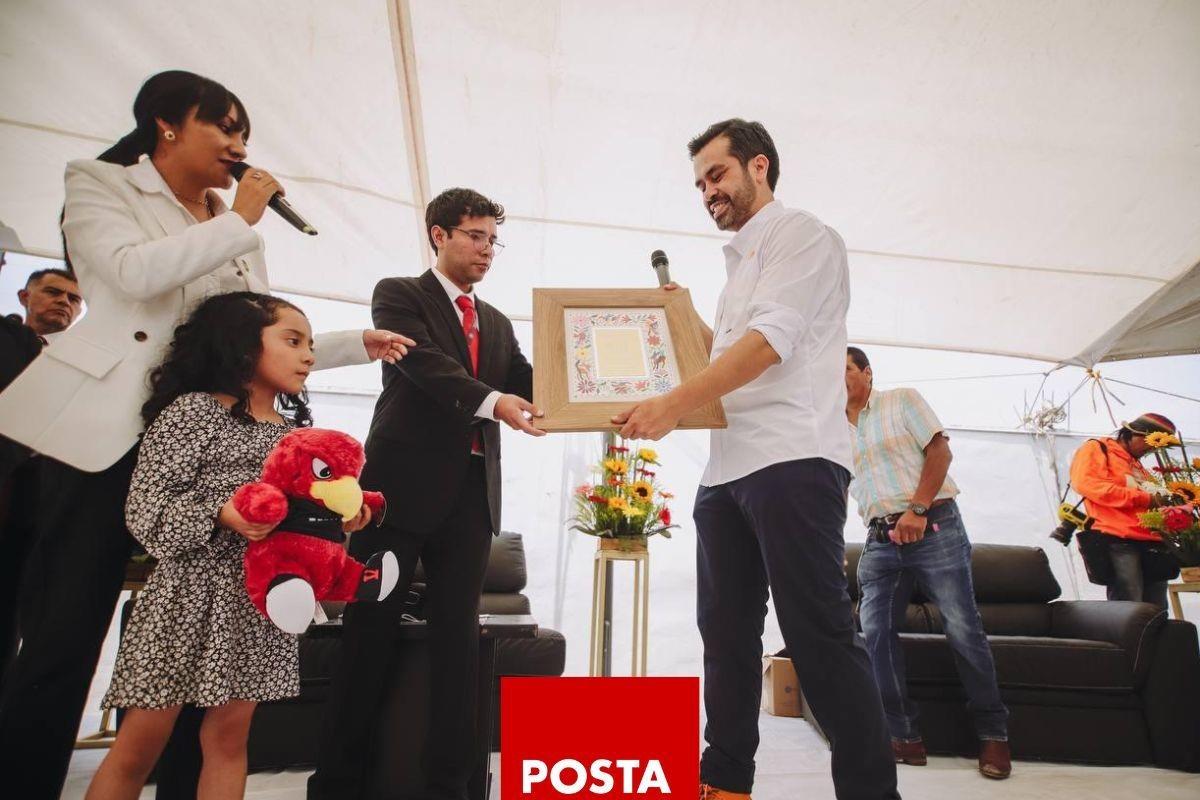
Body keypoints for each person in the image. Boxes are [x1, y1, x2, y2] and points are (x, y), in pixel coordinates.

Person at [0, 70, 414, 798]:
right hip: (105, 435)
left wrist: (351, 344)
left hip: (208, 439)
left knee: (211, 658)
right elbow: (126, 277)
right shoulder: (104, 184)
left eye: (243, 133)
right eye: (224, 127)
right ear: (166, 123)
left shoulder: (230, 220)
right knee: (65, 635)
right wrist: (237, 222)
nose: (237, 145)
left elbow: (252, 327)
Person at [613, 119, 898, 799]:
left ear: (759, 167)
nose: (708, 191)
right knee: (725, 635)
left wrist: (673, 403)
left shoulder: (802, 235)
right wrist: (691, 326)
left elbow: (770, 345)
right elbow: (732, 355)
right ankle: (726, 782)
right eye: (700, 183)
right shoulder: (736, 269)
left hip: (793, 460)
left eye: (718, 174)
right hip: (727, 469)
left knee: (819, 636)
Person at [83, 292, 376, 799]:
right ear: (242, 345)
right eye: (293, 341)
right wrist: (221, 514)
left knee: (229, 738)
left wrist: (341, 519)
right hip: (185, 598)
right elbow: (145, 510)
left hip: (259, 605)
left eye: (309, 343)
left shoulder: (292, 437)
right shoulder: (192, 413)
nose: (309, 355)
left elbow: (302, 519)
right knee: (139, 743)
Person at [308, 188, 541, 800]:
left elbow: (529, 383)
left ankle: (451, 787)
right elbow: (426, 365)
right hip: (396, 495)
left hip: (470, 498)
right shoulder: (399, 294)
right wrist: (494, 402)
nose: (486, 250)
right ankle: (338, 785)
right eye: (474, 236)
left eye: (493, 239)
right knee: (368, 634)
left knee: (457, 643)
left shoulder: (494, 322)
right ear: (438, 234)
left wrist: (595, 394)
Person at [845, 346, 1011, 779]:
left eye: (843, 369)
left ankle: (994, 737)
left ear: (866, 372)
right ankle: (904, 737)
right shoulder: (828, 428)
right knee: (875, 633)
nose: (835, 378)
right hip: (880, 539)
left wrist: (917, 510)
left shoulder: (901, 400)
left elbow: (940, 453)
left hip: (932, 523)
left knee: (963, 627)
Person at [1069, 413, 1178, 609]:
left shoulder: (1137, 465)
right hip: (1118, 540)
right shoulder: (1097, 448)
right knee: (1129, 606)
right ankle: (1128, 641)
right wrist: (1145, 498)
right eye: (1150, 442)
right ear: (1133, 434)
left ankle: (1154, 641)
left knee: (1157, 610)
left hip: (1153, 542)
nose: (1150, 449)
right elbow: (1089, 485)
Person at [17, 267, 83, 338]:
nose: (64, 301)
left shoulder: (86, 348)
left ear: (79, 312)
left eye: (74, 299)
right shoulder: (4, 340)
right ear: (24, 297)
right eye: (53, 292)